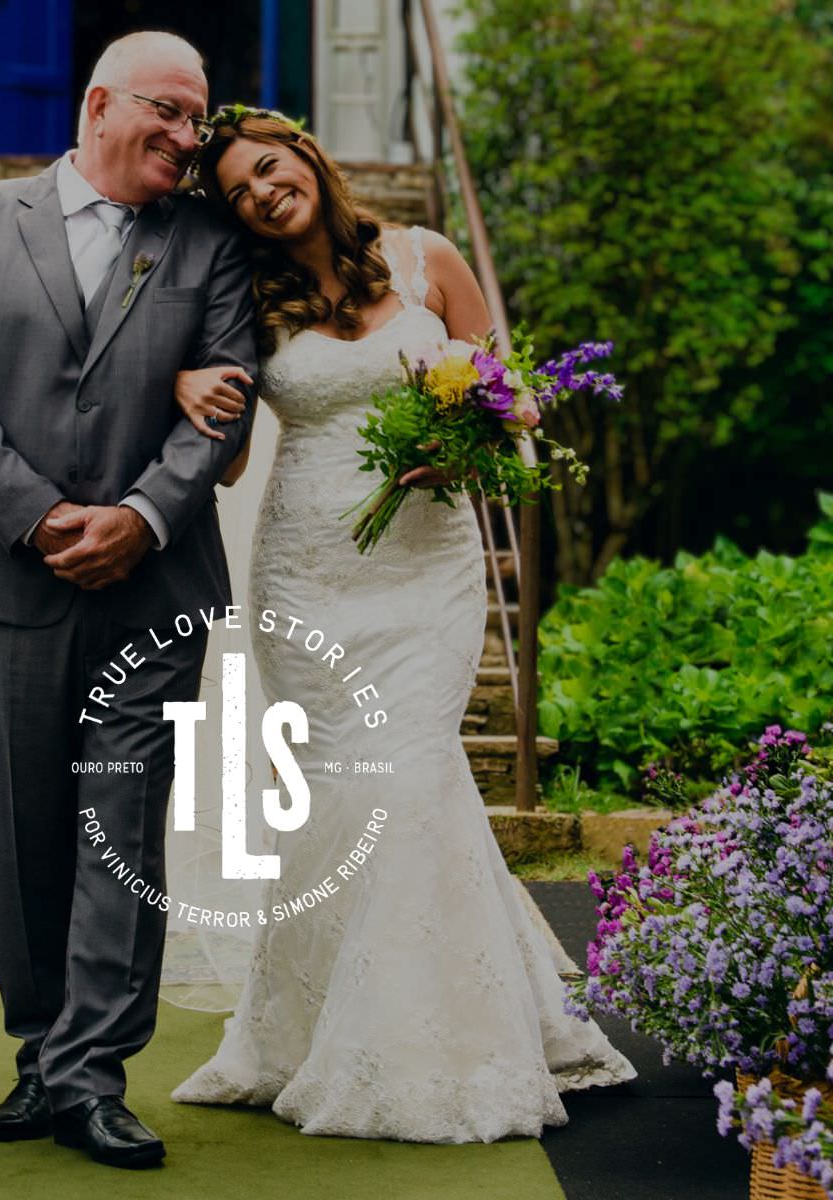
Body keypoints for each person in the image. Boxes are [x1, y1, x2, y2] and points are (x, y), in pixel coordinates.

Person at [168, 109, 636, 1142]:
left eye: (269, 168)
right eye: (239, 193)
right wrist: (181, 380)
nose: (262, 195)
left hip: (427, 570)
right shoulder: (249, 297)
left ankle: (436, 1041)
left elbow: (515, 406)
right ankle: (312, 1029)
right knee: (336, 792)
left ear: (306, 155)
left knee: (413, 772)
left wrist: (466, 443)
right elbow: (231, 460)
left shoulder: (427, 258)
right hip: (305, 575)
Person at [0, 35, 256, 1169]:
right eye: (170, 112)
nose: (188, 139)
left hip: (154, 586)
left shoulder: (211, 241)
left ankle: (94, 1074)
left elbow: (229, 402)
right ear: (99, 104)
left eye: (198, 121)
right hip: (0, 575)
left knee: (119, 826)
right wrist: (43, 516)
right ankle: (39, 1056)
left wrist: (141, 517)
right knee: (25, 831)